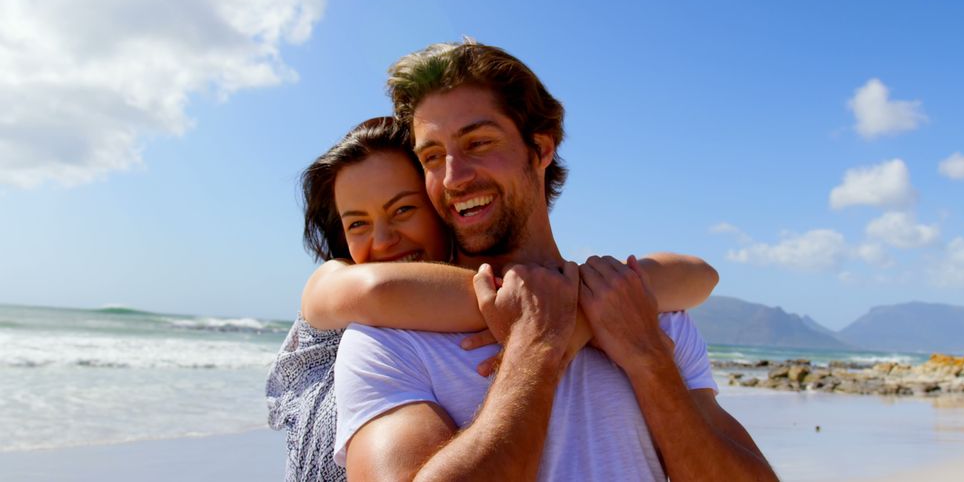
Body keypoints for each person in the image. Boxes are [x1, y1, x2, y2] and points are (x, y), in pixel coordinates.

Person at [333, 42, 778, 480]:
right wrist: (535, 352)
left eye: (479, 142)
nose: (454, 177)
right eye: (432, 157)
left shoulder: (642, 311)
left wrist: (647, 358)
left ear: (541, 149)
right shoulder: (387, 339)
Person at [266, 117, 720, 481]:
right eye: (357, 223)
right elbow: (377, 288)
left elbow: (700, 275)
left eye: (404, 209)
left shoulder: (535, 289)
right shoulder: (343, 286)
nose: (383, 240)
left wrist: (570, 308)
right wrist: (565, 317)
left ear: (442, 205)